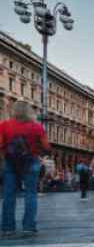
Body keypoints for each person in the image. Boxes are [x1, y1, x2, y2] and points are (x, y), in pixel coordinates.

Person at [0, 101, 51, 238]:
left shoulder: (4, 125)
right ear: (29, 112)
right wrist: (39, 152)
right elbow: (46, 147)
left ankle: (7, 228)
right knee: (31, 194)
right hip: (31, 162)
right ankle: (28, 227)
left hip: (10, 163)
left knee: (9, 195)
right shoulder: (37, 127)